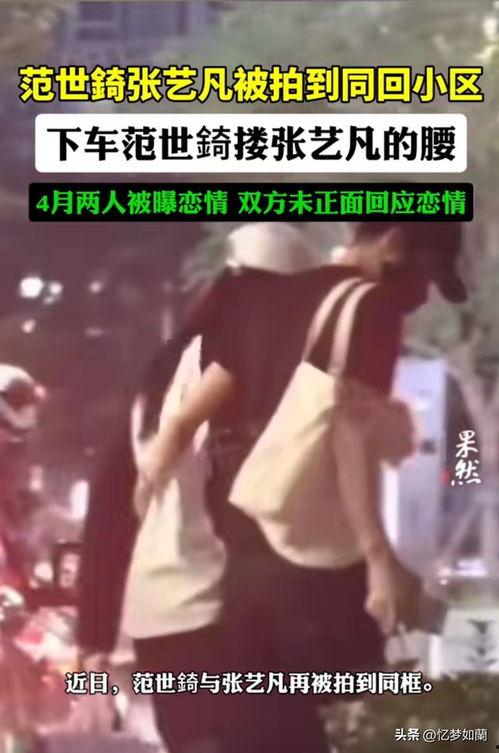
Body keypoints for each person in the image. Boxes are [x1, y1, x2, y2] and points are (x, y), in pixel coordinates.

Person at [134, 220, 467, 751]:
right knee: (344, 722)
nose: (421, 296)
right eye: (424, 276)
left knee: (266, 726)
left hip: (241, 559)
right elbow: (347, 434)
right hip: (313, 565)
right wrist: (378, 559)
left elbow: (183, 420)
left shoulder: (268, 298)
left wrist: (151, 486)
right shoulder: (370, 305)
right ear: (393, 244)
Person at [76, 226, 321, 753]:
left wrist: (94, 638)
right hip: (233, 624)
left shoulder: (161, 376)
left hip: (167, 623)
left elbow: (109, 511)